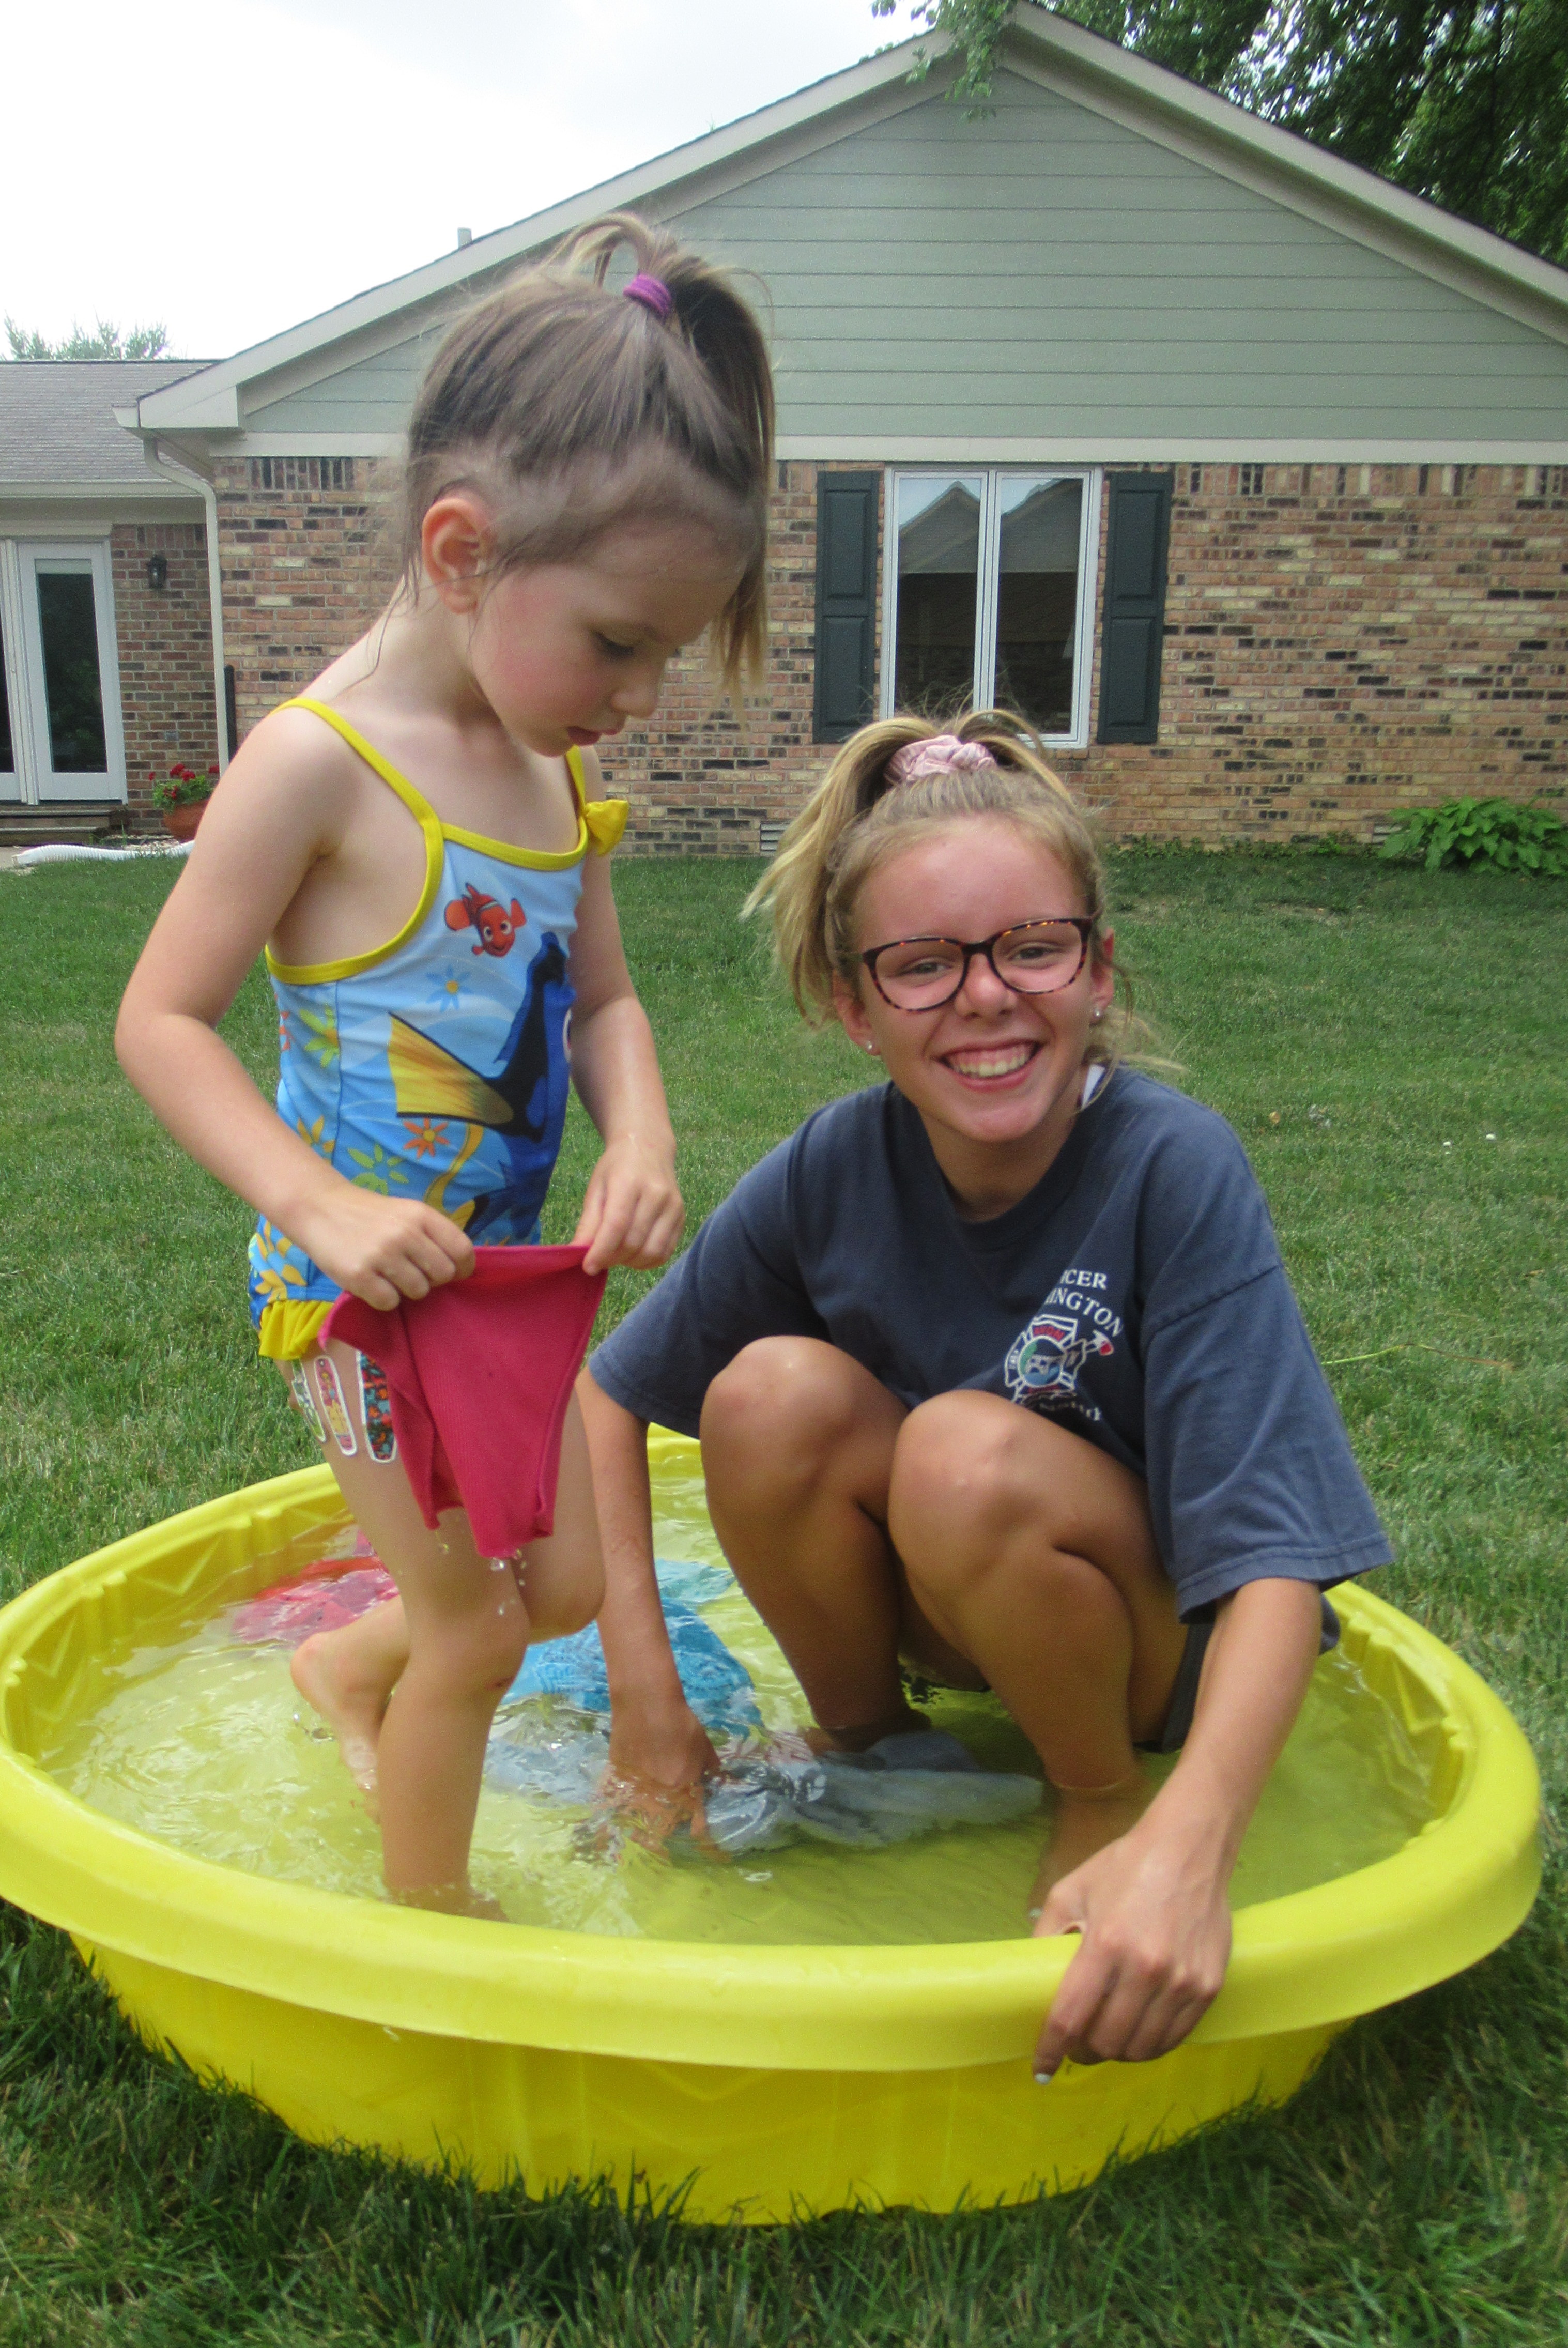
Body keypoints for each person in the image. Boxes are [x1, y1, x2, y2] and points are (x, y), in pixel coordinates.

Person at [115, 215, 774, 1916]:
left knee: (557, 1591)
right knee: (479, 1630)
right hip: (351, 1302)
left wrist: (641, 1133)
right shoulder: (316, 767)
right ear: (464, 551)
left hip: (506, 1285)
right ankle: (435, 1927)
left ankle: (344, 1671)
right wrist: (317, 1207)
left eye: (666, 655)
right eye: (619, 643)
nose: (640, 696)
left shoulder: (553, 775)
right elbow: (158, 1023)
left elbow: (604, 1003)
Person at [579, 711, 1392, 2069]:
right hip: (969, 1618)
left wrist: (1190, 1848)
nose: (986, 997)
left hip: (1153, 1660)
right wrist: (644, 1701)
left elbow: (1275, 1561)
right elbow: (605, 1401)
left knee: (961, 1451)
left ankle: (1093, 1800)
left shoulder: (1171, 1168)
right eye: (923, 965)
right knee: (768, 1392)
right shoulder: (833, 1166)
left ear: (1096, 970)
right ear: (855, 1008)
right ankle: (872, 1747)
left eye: (1032, 947)